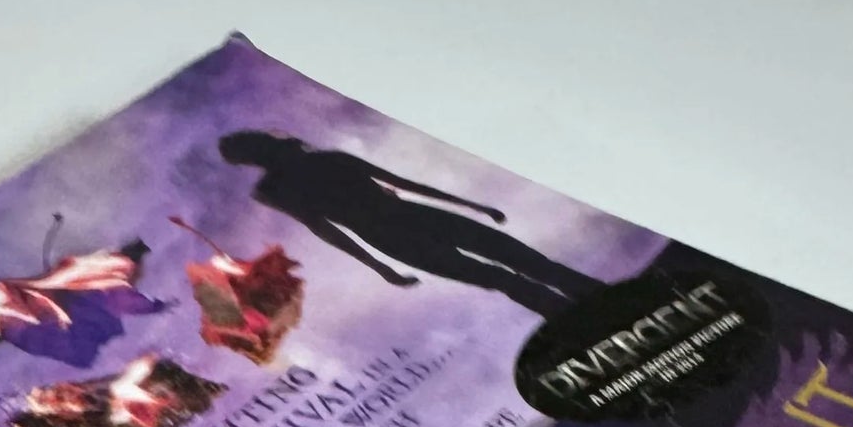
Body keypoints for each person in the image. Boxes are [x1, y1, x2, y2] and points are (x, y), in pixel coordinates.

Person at [217, 131, 595, 314]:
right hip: (404, 222)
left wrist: (474, 207)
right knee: (514, 265)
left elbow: (327, 227)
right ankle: (583, 306)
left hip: (392, 232)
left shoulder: (280, 187)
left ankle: (578, 309)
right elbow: (400, 187)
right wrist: (474, 207)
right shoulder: (317, 165)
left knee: (506, 271)